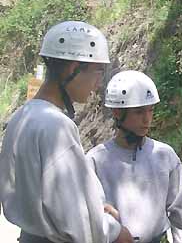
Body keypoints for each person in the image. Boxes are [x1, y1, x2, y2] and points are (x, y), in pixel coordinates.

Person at [0, 21, 133, 243]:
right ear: (73, 69)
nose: (98, 84)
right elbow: (78, 223)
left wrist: (96, 208)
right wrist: (116, 231)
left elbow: (47, 196)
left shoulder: (21, 117)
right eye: (98, 72)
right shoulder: (56, 126)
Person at [86, 70, 182, 243]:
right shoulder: (95, 161)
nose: (147, 119)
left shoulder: (165, 156)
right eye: (139, 112)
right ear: (117, 113)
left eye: (151, 110)